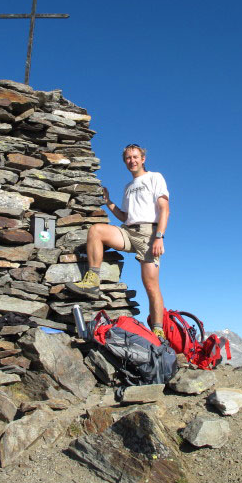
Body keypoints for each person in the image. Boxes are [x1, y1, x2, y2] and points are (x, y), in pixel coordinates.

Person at [65, 144, 169, 338]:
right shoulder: (128, 187)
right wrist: (108, 202)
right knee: (96, 231)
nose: (132, 161)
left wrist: (159, 237)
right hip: (128, 231)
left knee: (151, 285)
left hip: (149, 234)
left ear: (143, 158)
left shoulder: (155, 177)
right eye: (128, 158)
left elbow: (164, 209)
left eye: (135, 157)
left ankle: (158, 329)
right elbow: (124, 216)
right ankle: (93, 279)